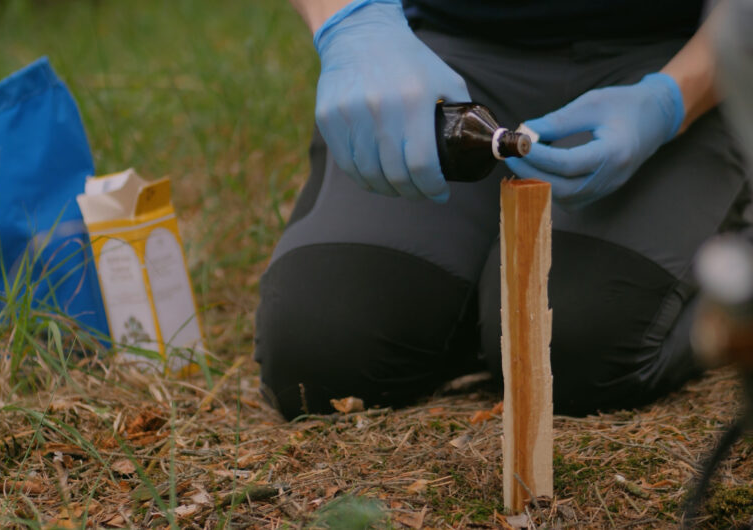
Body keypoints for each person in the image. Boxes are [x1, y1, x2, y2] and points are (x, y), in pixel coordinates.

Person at [254, 0, 751, 420]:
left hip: (677, 55)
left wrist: (671, 101)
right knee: (320, 353)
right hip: (440, 60)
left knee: (573, 352)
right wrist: (354, 24)